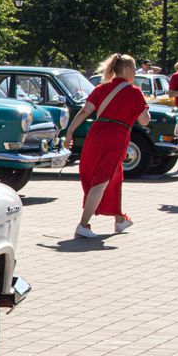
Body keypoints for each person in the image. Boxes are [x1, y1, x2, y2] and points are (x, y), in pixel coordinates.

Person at [64, 53, 149, 237]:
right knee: (102, 181)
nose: (135, 72)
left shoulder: (101, 88)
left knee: (114, 178)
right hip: (116, 138)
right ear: (127, 70)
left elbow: (85, 111)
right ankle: (83, 225)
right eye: (134, 68)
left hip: (95, 135)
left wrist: (69, 132)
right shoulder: (134, 92)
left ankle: (119, 220)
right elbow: (144, 121)